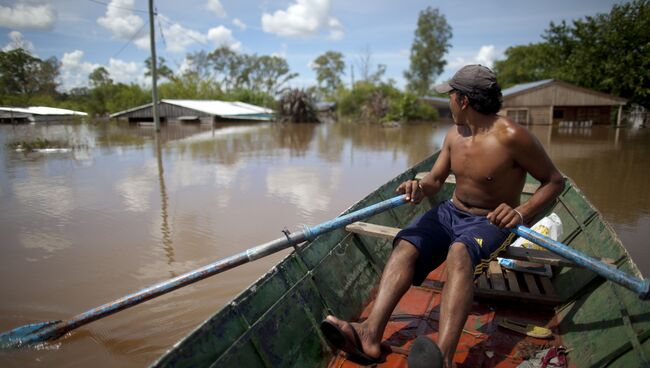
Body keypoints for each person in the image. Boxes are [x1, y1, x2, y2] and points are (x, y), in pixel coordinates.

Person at [320, 64, 565, 367]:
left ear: (463, 100)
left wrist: (521, 211)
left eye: (450, 95)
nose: (448, 102)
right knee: (406, 243)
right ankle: (369, 335)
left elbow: (554, 181)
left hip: (490, 221)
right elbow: (436, 180)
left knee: (459, 253)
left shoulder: (513, 136)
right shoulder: (454, 134)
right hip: (450, 211)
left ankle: (444, 359)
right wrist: (419, 186)